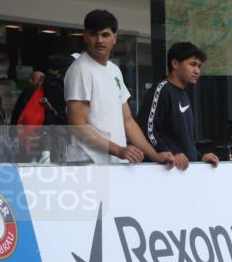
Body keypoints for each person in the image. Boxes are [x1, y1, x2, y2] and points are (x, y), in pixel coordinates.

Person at [65, 9, 175, 167]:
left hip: (116, 164)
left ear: (114, 38)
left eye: (105, 34)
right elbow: (77, 124)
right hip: (90, 166)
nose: (99, 40)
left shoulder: (114, 70)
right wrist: (118, 150)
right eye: (93, 34)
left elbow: (128, 121)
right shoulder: (81, 70)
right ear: (85, 37)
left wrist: (155, 155)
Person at [138, 42, 220, 170]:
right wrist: (168, 154)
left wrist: (199, 157)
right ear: (175, 64)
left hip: (184, 173)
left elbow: (183, 141)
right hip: (165, 172)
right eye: (192, 64)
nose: (197, 71)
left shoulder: (184, 95)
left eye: (199, 66)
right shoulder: (161, 90)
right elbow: (146, 130)